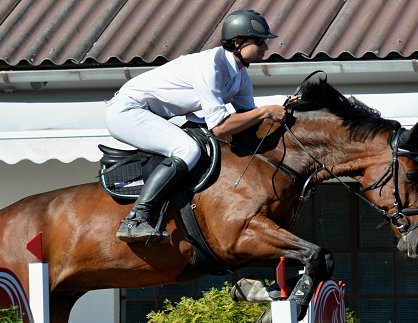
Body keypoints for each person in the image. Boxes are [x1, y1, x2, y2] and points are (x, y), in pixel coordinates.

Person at [106, 8, 290, 243]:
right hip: (127, 111)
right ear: (237, 42)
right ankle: (135, 220)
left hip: (152, 115)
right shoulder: (210, 66)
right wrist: (266, 111)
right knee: (188, 149)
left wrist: (283, 110)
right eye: (260, 41)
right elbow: (221, 127)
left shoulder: (241, 75)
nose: (265, 47)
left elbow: (247, 117)